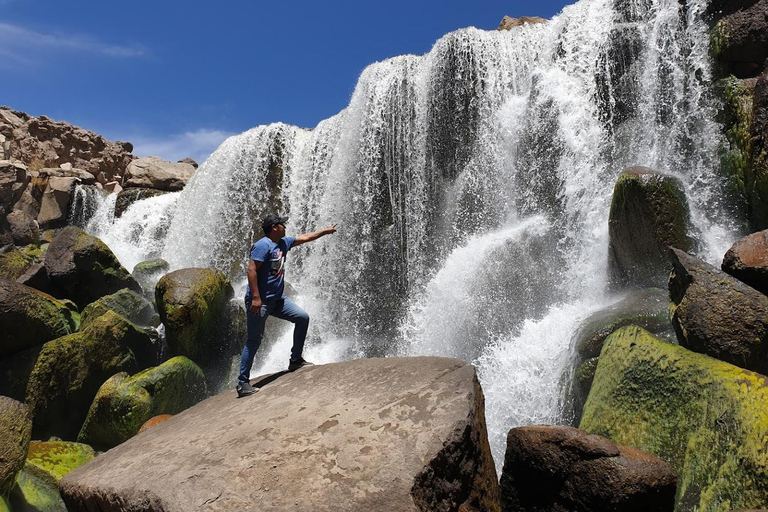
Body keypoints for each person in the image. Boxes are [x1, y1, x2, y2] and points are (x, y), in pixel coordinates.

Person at [236, 213, 337, 397]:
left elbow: (306, 237)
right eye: (282, 224)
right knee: (253, 341)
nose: (285, 226)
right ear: (274, 227)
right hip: (260, 302)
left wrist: (326, 231)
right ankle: (243, 383)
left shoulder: (283, 243)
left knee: (302, 318)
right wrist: (256, 298)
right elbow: (251, 270)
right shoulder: (262, 245)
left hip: (278, 300)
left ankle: (295, 360)